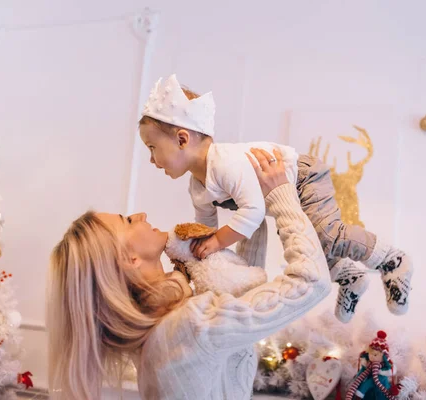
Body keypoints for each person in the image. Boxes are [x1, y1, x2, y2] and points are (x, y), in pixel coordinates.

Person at [47, 148, 332, 399]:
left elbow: (243, 291)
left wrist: (252, 211)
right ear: (128, 259)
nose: (142, 215)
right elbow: (310, 281)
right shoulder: (186, 326)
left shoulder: (170, 323)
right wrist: (281, 196)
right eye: (129, 220)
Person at [138, 74, 413, 322]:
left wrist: (218, 240)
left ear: (182, 139)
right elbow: (206, 228)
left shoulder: (225, 163)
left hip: (303, 178)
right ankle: (350, 277)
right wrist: (206, 248)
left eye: (152, 148)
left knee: (328, 235)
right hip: (281, 196)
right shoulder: (197, 187)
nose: (151, 159)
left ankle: (393, 260)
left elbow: (253, 211)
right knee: (312, 248)